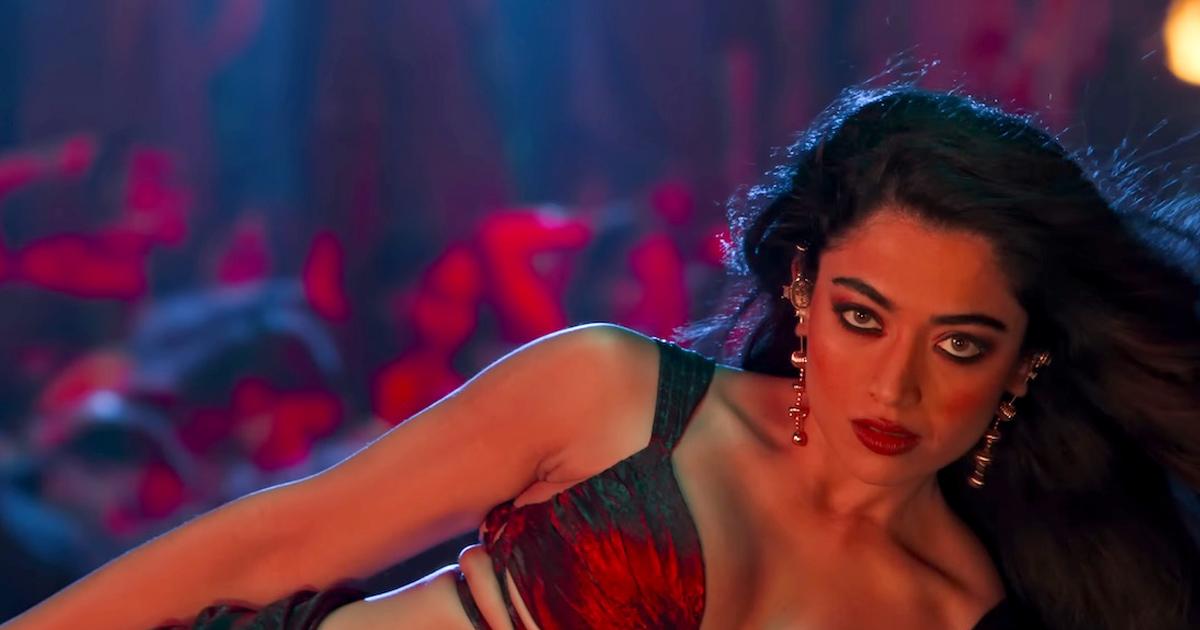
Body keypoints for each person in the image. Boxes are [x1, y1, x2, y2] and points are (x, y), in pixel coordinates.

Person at [6, 85, 1200, 630]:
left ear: (1022, 363)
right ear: (803, 289)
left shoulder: (962, 611)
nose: (896, 385)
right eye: (861, 317)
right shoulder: (620, 396)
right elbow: (274, 542)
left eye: (960, 344)